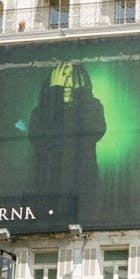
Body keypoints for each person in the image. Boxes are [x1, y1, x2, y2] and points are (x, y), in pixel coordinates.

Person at [24, 61, 105, 215]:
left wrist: (82, 93)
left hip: (84, 189)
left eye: (72, 77)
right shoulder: (40, 111)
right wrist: (55, 92)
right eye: (62, 77)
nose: (67, 83)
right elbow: (42, 140)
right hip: (47, 188)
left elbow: (94, 131)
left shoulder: (93, 105)